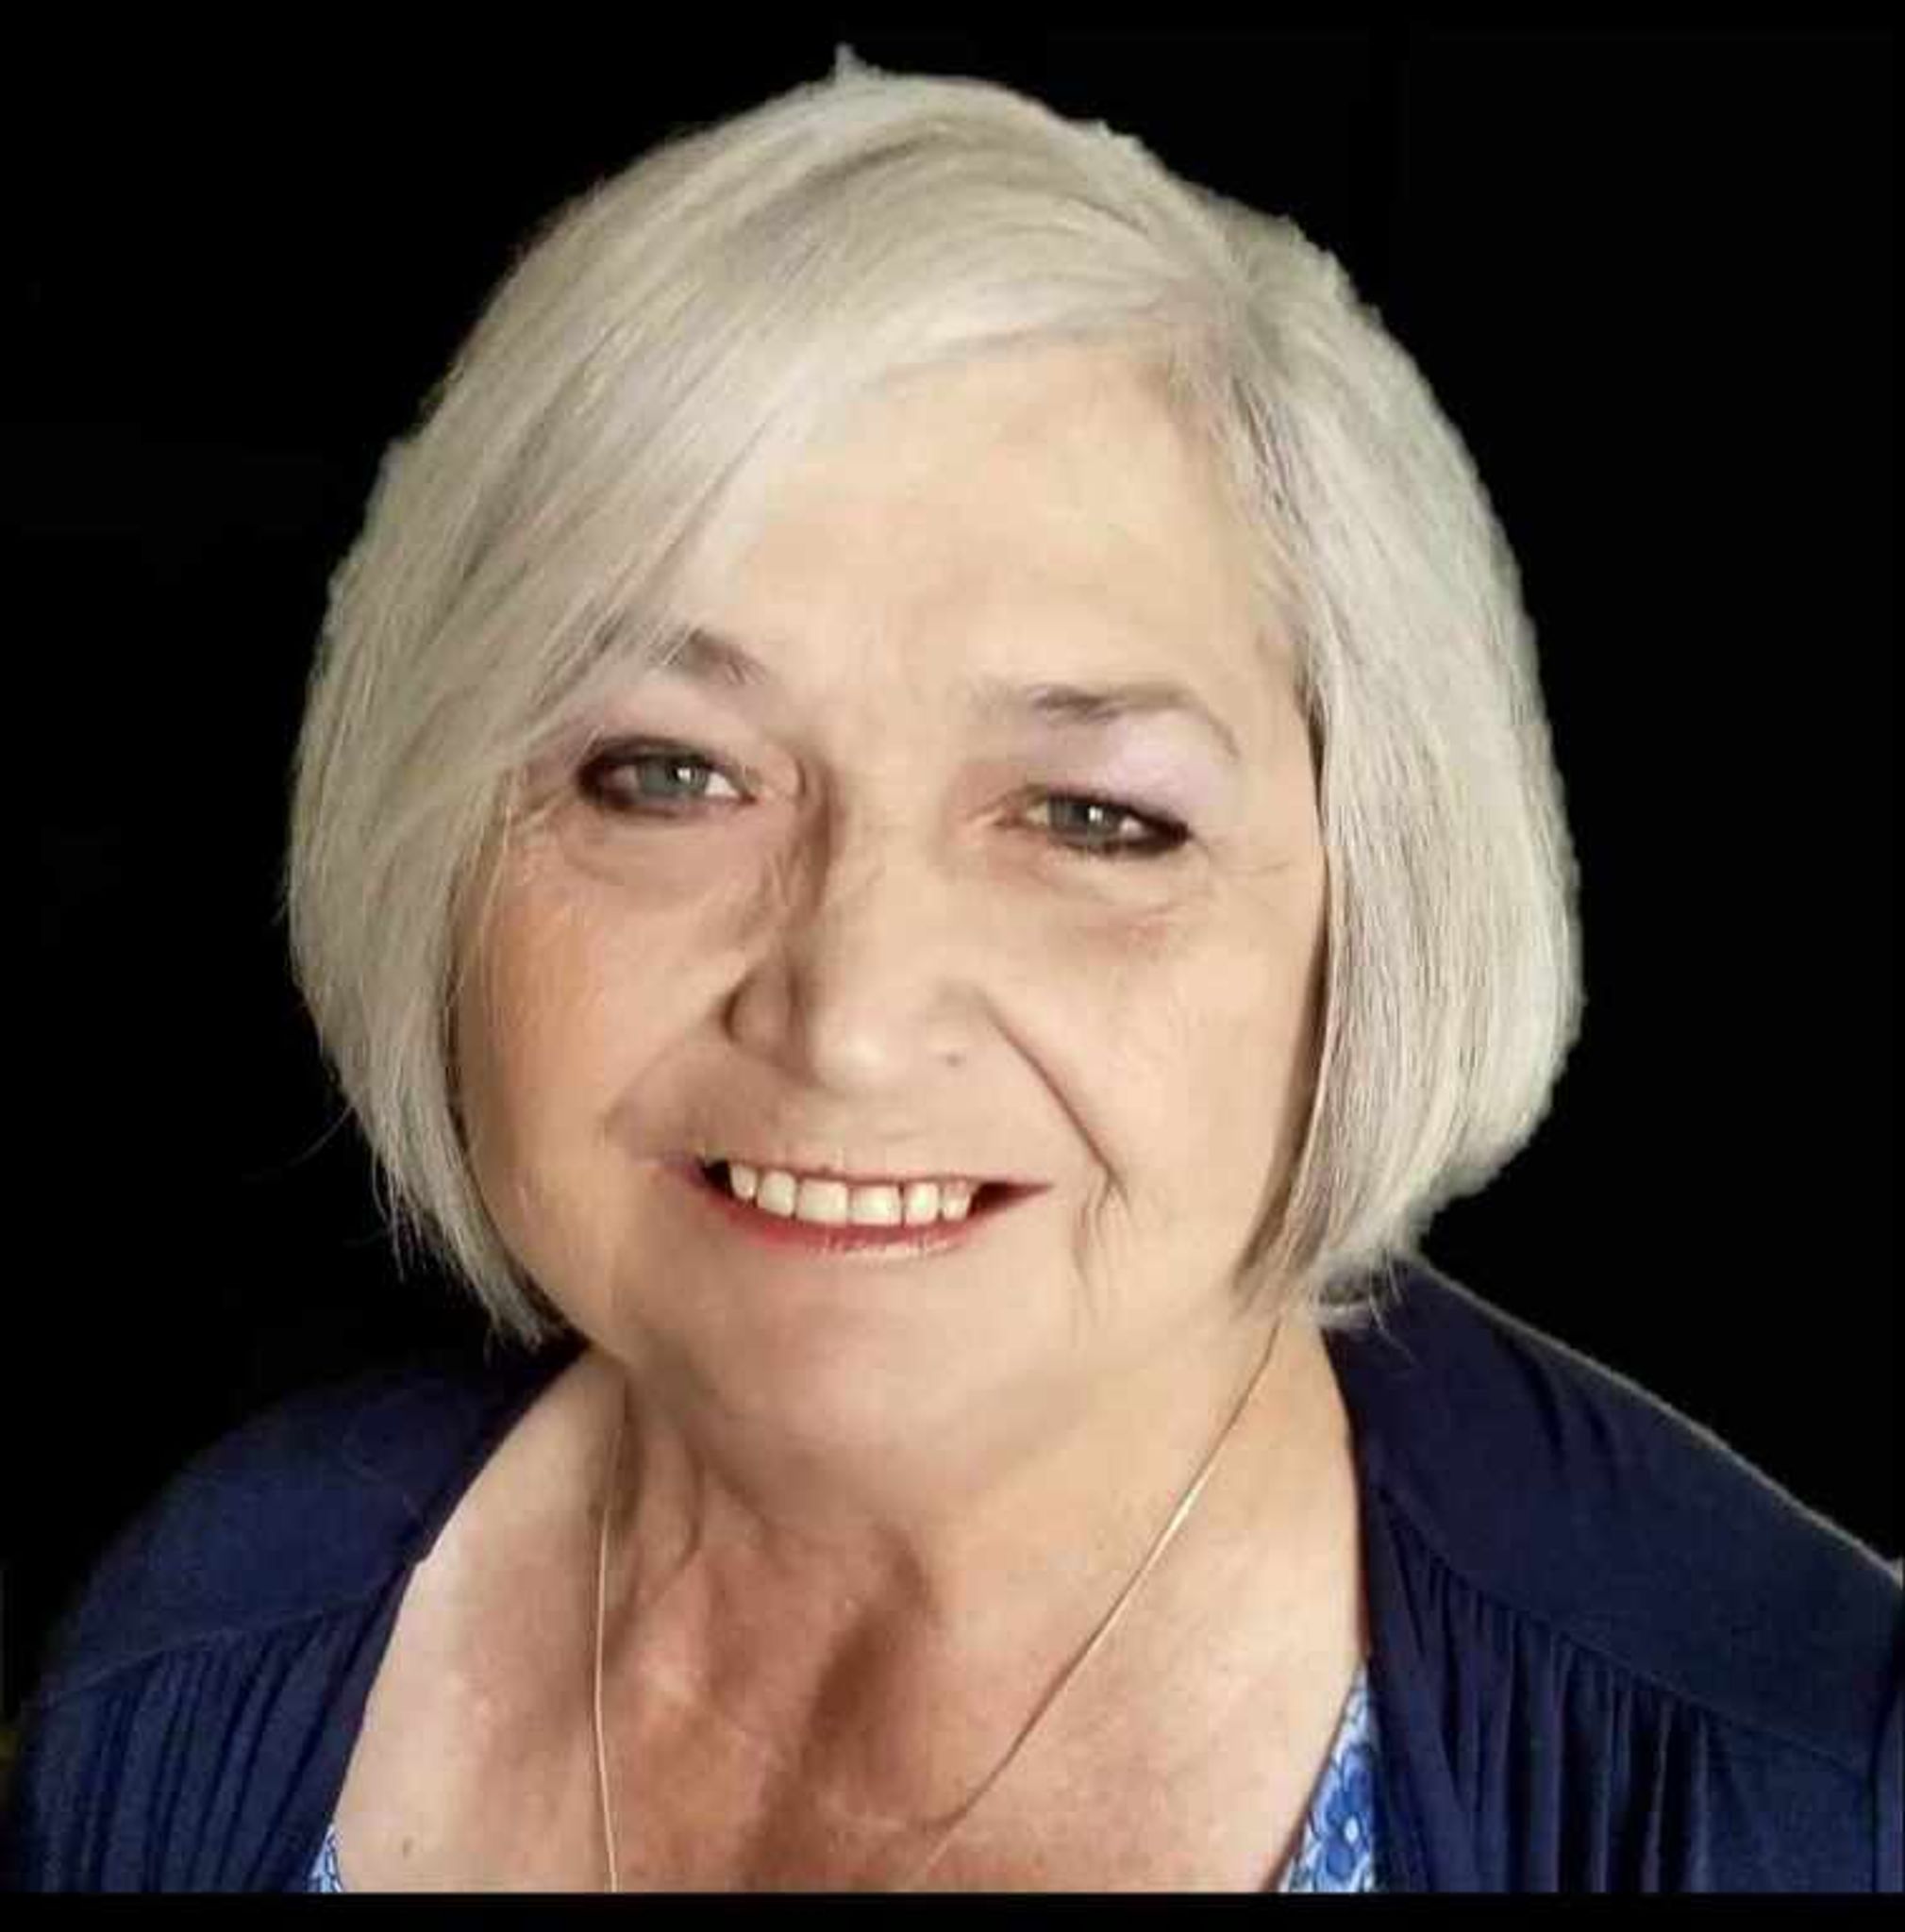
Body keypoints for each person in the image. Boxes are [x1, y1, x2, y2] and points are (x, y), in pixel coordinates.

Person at [3, 53, 1897, 1895]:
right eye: (669, 774)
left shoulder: (1810, 1793)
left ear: (1376, 912)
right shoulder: (201, 1648)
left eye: (1089, 817)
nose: (848, 1015)